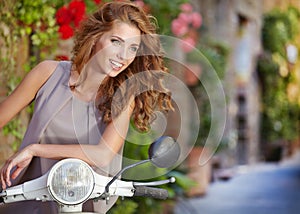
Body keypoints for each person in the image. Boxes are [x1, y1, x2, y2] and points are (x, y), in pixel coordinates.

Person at [0, 1, 173, 213]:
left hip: (83, 206)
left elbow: (102, 155)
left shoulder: (124, 97)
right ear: (95, 37)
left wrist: (35, 149)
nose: (124, 56)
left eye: (133, 48)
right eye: (116, 42)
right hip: (25, 198)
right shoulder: (47, 73)